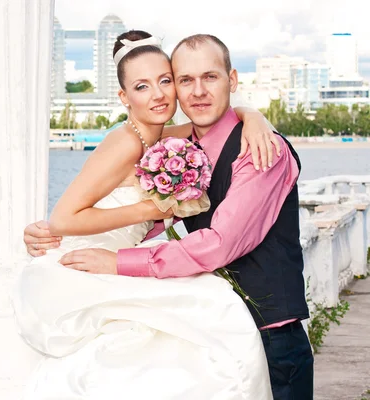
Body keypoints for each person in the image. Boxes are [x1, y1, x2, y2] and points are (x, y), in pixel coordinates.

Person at [25, 33, 313, 400]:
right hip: (218, 330)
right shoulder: (181, 151)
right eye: (184, 80)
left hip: (270, 335)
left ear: (233, 80)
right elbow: (148, 218)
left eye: (210, 76)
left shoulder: (260, 150)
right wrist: (51, 234)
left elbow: (219, 243)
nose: (197, 91)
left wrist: (118, 262)